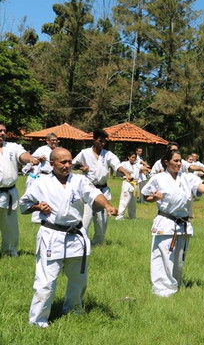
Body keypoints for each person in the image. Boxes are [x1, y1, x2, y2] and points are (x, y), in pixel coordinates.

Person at [19, 147, 117, 328]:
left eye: (70, 161)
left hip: (75, 236)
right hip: (52, 235)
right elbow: (23, 205)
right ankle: (38, 321)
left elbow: (95, 194)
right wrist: (38, 207)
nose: (67, 165)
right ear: (52, 163)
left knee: (78, 280)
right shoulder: (41, 182)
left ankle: (73, 311)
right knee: (45, 283)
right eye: (62, 162)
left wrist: (107, 205)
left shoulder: (79, 180)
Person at [142, 149, 204, 297]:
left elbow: (202, 187)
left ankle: (175, 284)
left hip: (182, 223)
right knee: (163, 256)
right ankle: (162, 289)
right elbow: (145, 196)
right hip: (166, 221)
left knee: (178, 258)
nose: (179, 163)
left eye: (180, 160)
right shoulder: (158, 178)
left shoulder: (187, 177)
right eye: (175, 161)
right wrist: (155, 198)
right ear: (166, 162)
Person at [73, 129, 133, 245]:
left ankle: (98, 244)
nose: (102, 143)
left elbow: (117, 165)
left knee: (102, 221)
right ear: (94, 140)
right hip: (88, 190)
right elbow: (73, 164)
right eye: (100, 141)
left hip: (103, 190)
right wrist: (81, 167)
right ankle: (80, 244)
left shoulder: (108, 154)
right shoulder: (85, 153)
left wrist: (126, 173)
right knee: (85, 220)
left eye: (104, 141)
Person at [0, 122, 39, 256]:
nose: (2, 133)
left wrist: (30, 159)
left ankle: (10, 251)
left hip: (9, 192)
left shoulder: (12, 147)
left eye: (4, 131)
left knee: (10, 226)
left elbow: (23, 155)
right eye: (0, 131)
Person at [116, 150, 140, 220]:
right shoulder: (124, 163)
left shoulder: (136, 165)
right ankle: (120, 216)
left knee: (133, 202)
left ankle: (132, 217)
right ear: (128, 157)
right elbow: (119, 169)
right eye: (132, 157)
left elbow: (141, 168)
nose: (134, 159)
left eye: (135, 157)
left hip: (135, 184)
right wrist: (126, 173)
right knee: (124, 200)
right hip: (127, 183)